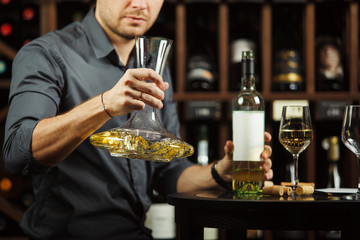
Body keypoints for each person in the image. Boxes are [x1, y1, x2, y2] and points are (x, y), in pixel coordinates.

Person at [3, 0, 273, 239]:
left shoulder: (156, 64)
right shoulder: (47, 54)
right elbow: (18, 152)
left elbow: (168, 173)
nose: (141, 4)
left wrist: (219, 173)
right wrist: (105, 104)